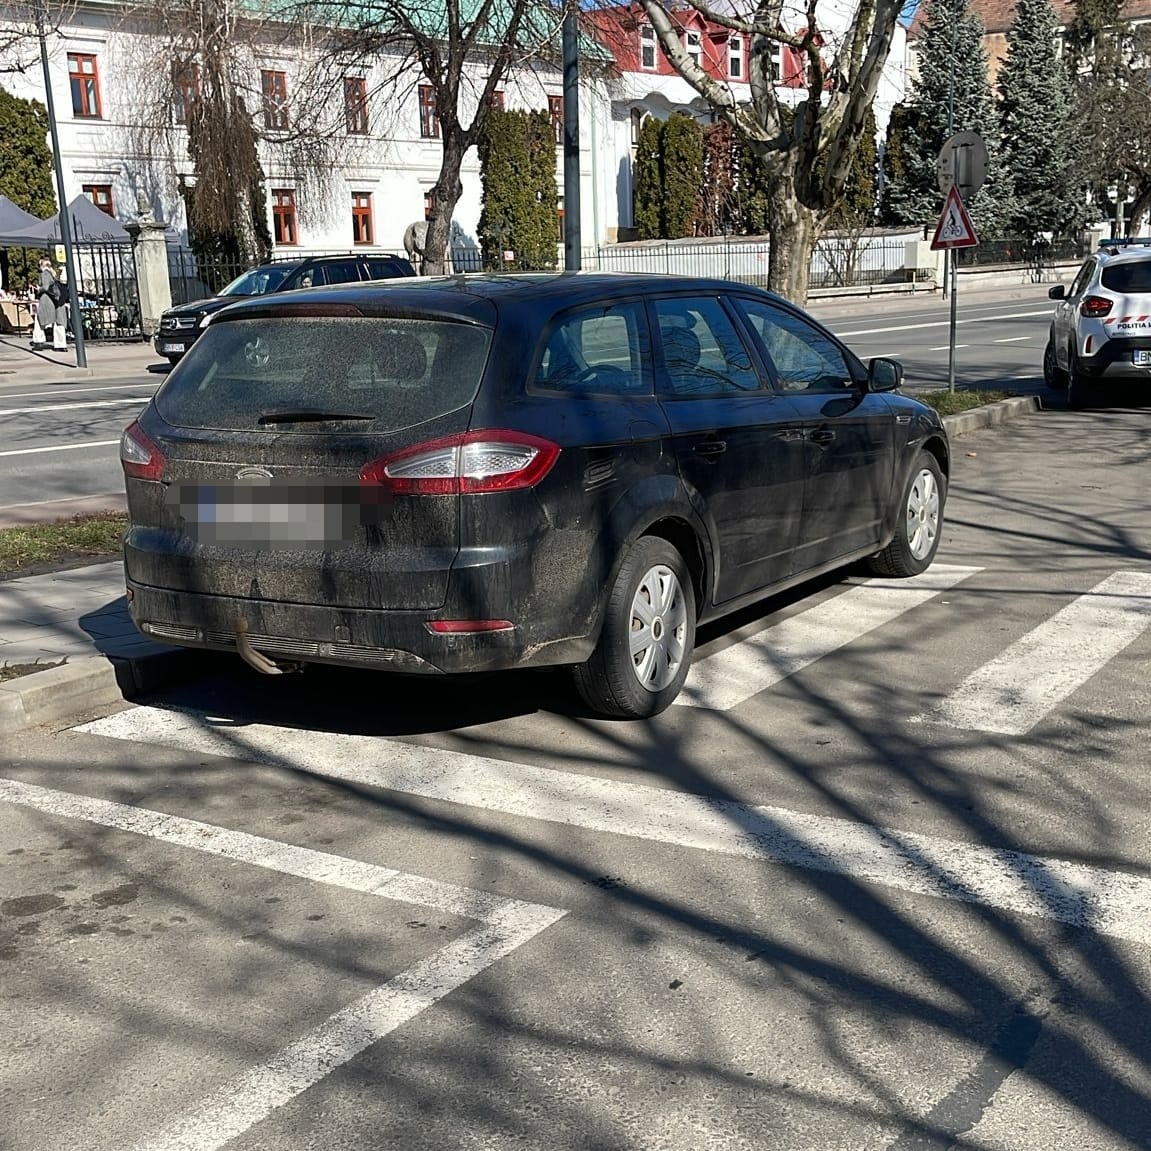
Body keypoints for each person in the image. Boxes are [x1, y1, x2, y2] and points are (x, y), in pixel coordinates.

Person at [32, 258, 66, 351]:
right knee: (59, 322)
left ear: (41, 265)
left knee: (39, 320)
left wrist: (39, 289)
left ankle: (38, 341)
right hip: (59, 301)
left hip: (47, 300)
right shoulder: (55, 274)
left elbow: (46, 287)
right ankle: (61, 345)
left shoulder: (45, 273)